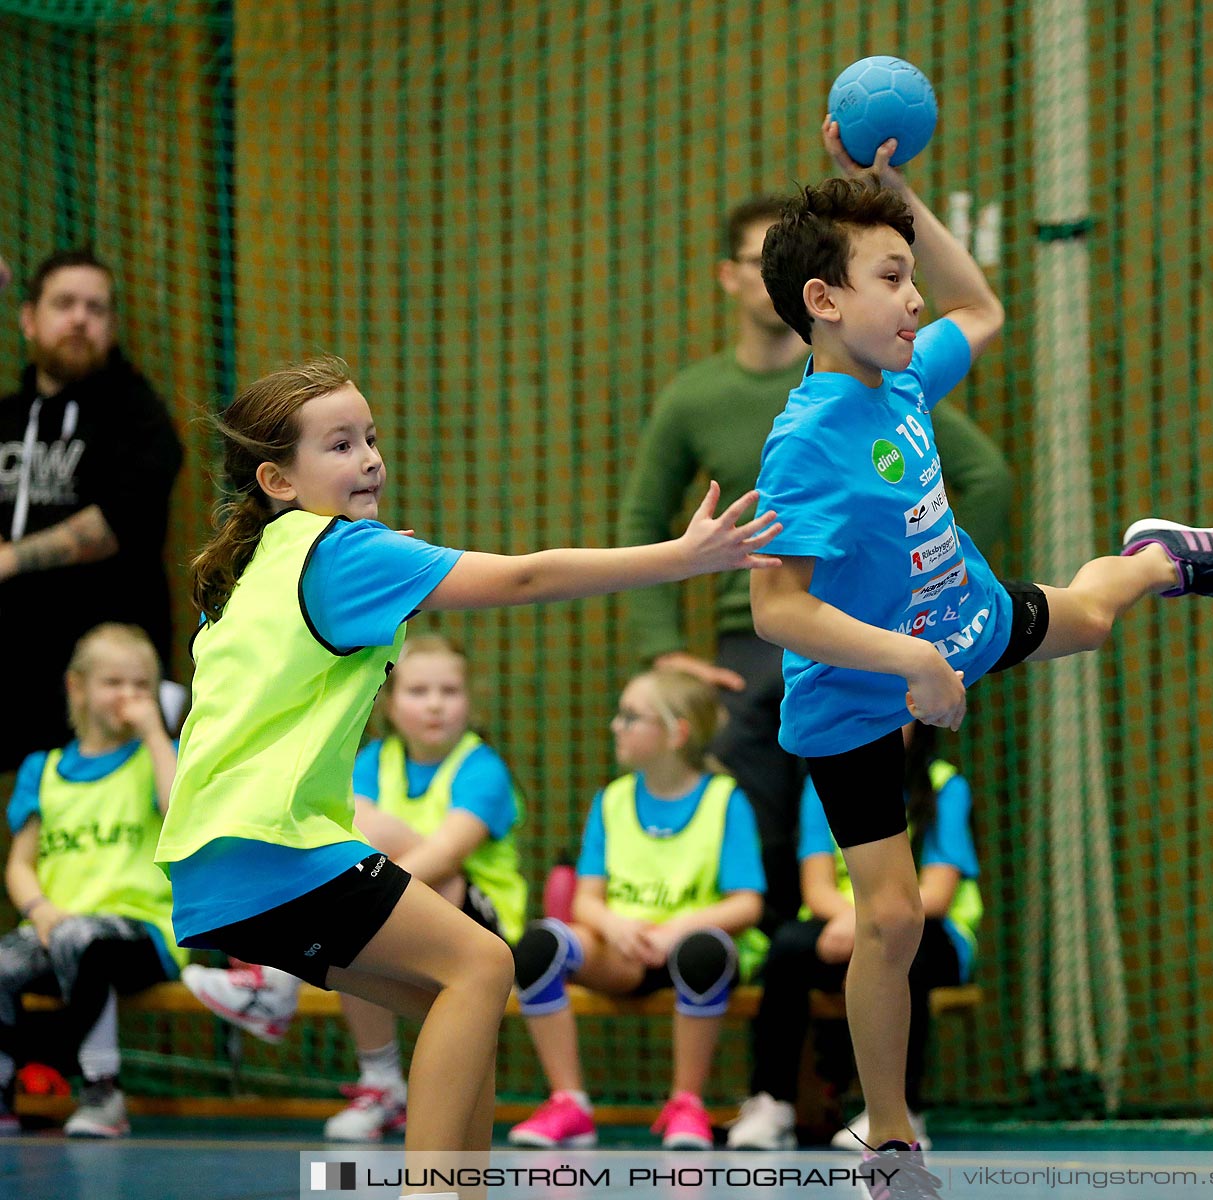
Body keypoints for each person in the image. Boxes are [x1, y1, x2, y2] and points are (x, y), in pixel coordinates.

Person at [748, 123, 1213, 1185]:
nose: (916, 299)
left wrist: (898, 191)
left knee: (1090, 619)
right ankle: (892, 1133)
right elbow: (778, 611)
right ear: (823, 301)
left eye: (912, 277)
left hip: (966, 613)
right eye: (891, 277)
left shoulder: (902, 378)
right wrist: (907, 668)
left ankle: (1161, 558)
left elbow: (983, 307)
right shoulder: (805, 440)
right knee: (893, 920)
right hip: (855, 697)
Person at [154, 356, 779, 1192]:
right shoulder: (343, 554)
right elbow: (525, 575)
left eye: (370, 437)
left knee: (463, 995)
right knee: (484, 965)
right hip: (276, 845)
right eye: (338, 445)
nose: (369, 458)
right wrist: (681, 557)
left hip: (209, 863)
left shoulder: (253, 566)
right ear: (277, 476)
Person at [619, 198, 1013, 929]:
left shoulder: (876, 376)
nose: (908, 297)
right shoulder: (698, 398)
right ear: (737, 278)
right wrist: (665, 651)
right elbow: (646, 523)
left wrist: (941, 593)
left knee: (881, 885)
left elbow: (980, 469)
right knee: (767, 854)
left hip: (867, 634)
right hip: (748, 651)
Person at [179, 633, 530, 1143]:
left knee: (362, 859)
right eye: (418, 691)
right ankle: (382, 1083)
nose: (435, 704)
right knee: (361, 928)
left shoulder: (481, 768)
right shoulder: (372, 762)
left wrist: (369, 892)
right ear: (388, 702)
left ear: (469, 701)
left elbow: (448, 854)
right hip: (402, 903)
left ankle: (278, 981)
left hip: (480, 923)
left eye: (449, 691)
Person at [508, 669, 766, 1151]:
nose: (615, 726)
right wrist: (615, 925)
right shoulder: (613, 799)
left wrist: (675, 929)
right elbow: (587, 898)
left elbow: (747, 903)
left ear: (676, 733)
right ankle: (569, 1102)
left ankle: (687, 1104)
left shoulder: (724, 799)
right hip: (621, 950)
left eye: (630, 717)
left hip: (690, 948)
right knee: (539, 946)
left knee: (703, 952)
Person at [729, 722, 978, 1151]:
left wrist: (873, 924)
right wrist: (860, 923)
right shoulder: (822, 780)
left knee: (904, 951)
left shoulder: (945, 786)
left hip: (925, 929)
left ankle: (901, 1111)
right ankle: (772, 1101)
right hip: (842, 922)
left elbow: (937, 893)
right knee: (787, 947)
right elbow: (817, 887)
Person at [0, 250, 184, 773]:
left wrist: (11, 559)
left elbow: (120, 521)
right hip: (12, 666)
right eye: (64, 304)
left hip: (102, 674)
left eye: (96, 308)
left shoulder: (136, 414)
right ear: (29, 320)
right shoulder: (7, 418)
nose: (80, 318)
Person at [1, 623, 186, 1138]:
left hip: (140, 935)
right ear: (76, 688)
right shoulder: (44, 768)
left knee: (82, 940)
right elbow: (20, 863)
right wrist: (38, 908)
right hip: (53, 927)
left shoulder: (160, 758)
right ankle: (5, 1093)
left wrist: (155, 735)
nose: (129, 696)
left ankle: (103, 1091)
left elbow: (179, 815)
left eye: (142, 685)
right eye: (114, 683)